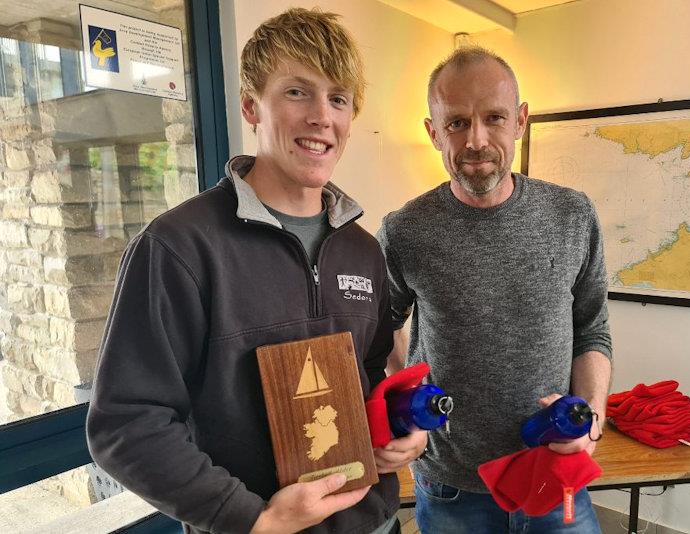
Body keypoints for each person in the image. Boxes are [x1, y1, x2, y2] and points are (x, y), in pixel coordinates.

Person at [87, 8, 421, 534]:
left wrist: (399, 428)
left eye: (338, 98)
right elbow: (128, 423)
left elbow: (369, 376)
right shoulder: (179, 246)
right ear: (250, 106)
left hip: (372, 524)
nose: (321, 116)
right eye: (296, 92)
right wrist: (251, 520)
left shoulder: (362, 249)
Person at [376, 46, 613, 534]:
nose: (476, 140)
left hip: (554, 472)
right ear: (433, 131)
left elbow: (592, 330)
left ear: (520, 121)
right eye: (457, 122)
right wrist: (410, 398)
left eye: (494, 118)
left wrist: (590, 424)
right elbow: (380, 329)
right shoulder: (405, 230)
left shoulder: (572, 216)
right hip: (451, 487)